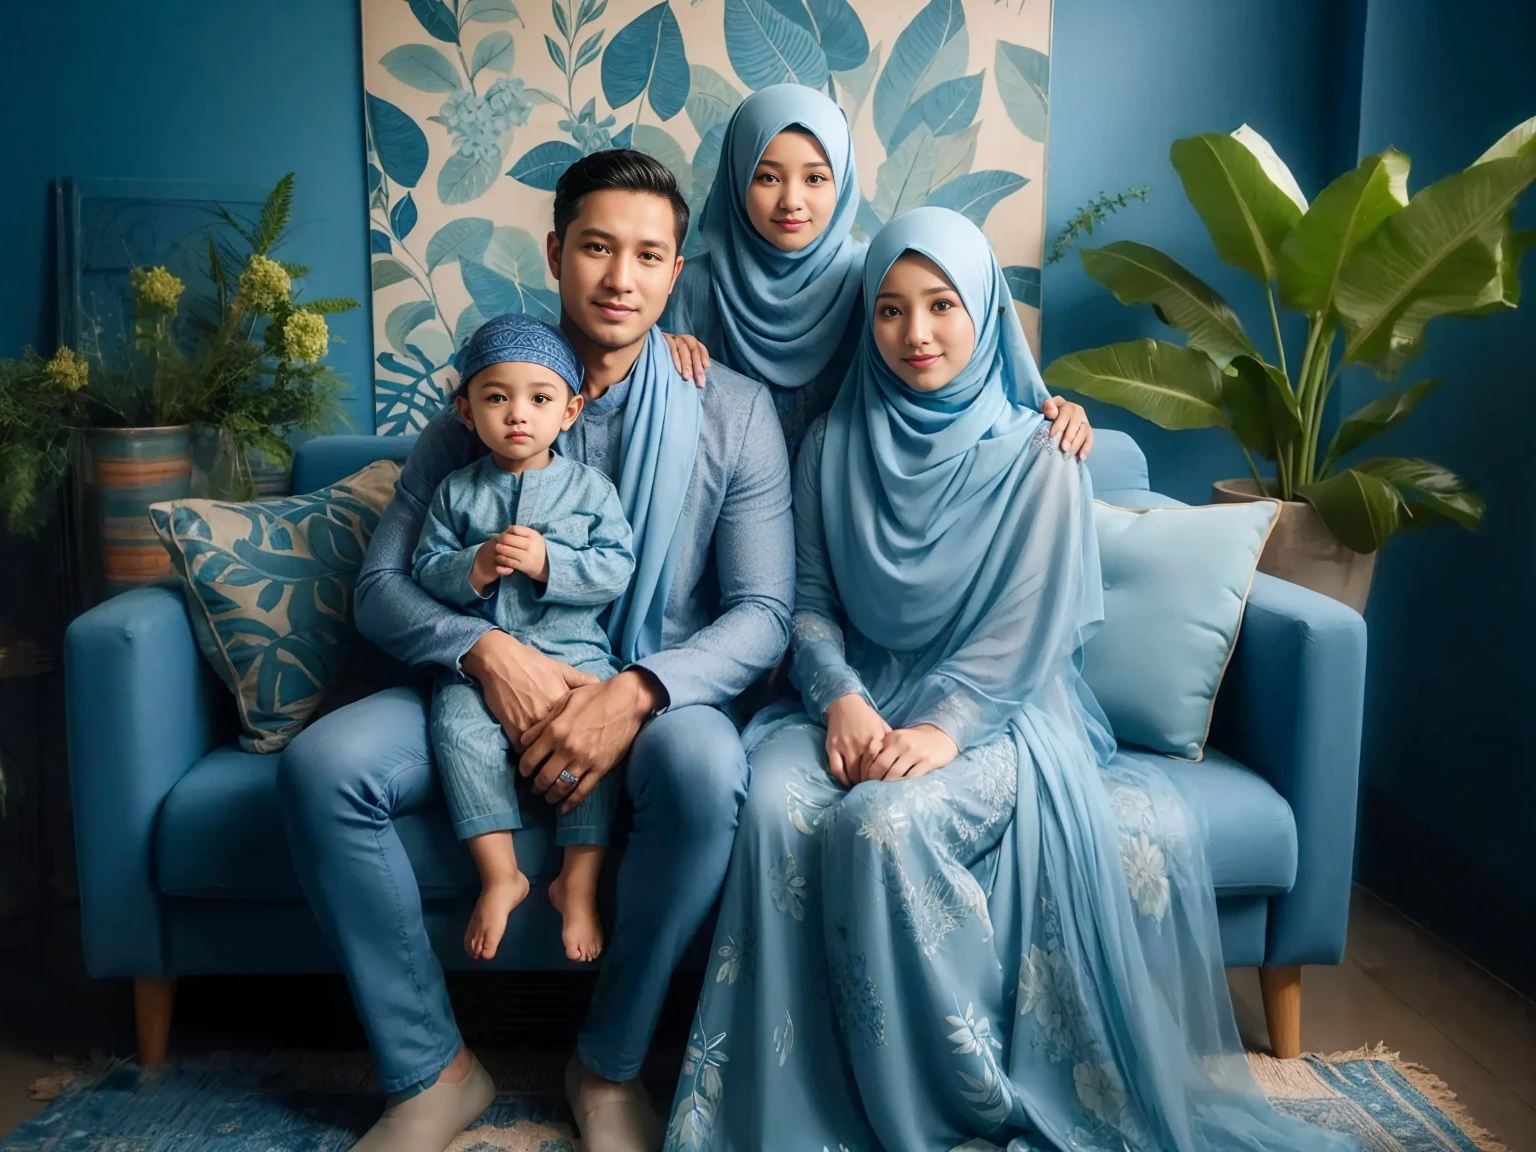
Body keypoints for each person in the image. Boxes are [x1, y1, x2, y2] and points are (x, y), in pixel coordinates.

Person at [665, 208, 1360, 1152]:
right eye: (891, 310)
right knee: (778, 808)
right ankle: (801, 1111)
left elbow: (1021, 637)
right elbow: (811, 603)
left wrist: (941, 732)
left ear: (987, 310)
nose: (915, 334)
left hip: (1001, 717)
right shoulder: (831, 442)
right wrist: (840, 697)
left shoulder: (1043, 451)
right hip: (853, 697)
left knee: (880, 823)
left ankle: (956, 1102)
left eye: (943, 305)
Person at [277, 150, 794, 1152]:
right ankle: (432, 1071)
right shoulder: (486, 399)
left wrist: (638, 691)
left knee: (706, 770)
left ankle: (607, 1068)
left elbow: (766, 610)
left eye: (649, 255)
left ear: (676, 272)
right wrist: (483, 654)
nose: (620, 277)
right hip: (470, 684)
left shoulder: (729, 410)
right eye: (597, 247)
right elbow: (382, 588)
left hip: (647, 696)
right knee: (322, 767)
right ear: (556, 252)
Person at [659, 82, 1094, 460]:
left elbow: (964, 371)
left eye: (815, 179)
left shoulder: (875, 279)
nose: (791, 200)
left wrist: (1051, 411)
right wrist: (656, 352)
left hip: (842, 491)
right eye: (768, 177)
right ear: (737, 180)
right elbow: (639, 396)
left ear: (843, 182)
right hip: (724, 503)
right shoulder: (691, 285)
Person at [411, 314, 633, 966]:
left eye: (539, 398)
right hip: (482, 660)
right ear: (466, 409)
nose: (517, 415)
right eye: (496, 397)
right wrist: (472, 568)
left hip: (572, 650)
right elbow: (425, 569)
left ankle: (579, 880)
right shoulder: (456, 493)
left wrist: (549, 564)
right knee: (455, 726)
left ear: (570, 411)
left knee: (596, 737)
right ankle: (500, 872)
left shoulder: (590, 491)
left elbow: (616, 566)